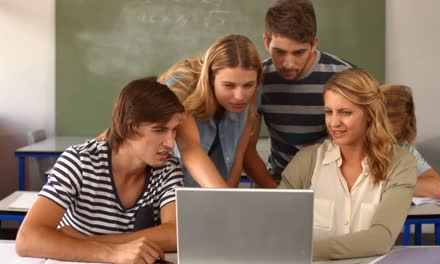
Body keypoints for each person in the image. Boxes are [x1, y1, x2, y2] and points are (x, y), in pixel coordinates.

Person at [16, 77, 184, 264]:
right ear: (128, 127)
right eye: (159, 130)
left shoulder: (168, 167)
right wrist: (112, 253)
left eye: (174, 130)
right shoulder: (79, 161)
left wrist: (85, 240)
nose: (171, 143)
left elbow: (176, 234)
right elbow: (27, 239)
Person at [278, 68, 417, 259]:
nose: (334, 122)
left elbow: (381, 239)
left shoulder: (400, 163)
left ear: (370, 114)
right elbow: (275, 225)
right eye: (328, 112)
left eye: (345, 112)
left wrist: (302, 250)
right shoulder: (306, 161)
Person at [243, 0, 354, 187]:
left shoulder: (346, 77)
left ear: (313, 44)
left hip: (334, 182)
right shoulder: (256, 80)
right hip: (278, 180)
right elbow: (247, 149)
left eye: (298, 53)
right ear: (266, 41)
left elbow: (359, 147)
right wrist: (277, 192)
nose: (288, 64)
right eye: (279, 52)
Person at [159, 34, 263, 188]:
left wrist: (227, 202)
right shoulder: (181, 85)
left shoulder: (251, 95)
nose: (240, 96)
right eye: (229, 85)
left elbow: (237, 161)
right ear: (210, 78)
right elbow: (190, 151)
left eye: (248, 85)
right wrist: (225, 202)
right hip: (172, 195)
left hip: (216, 194)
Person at [381, 84, 440, 200]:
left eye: (393, 135)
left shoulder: (401, 146)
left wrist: (389, 184)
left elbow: (437, 189)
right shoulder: (349, 143)